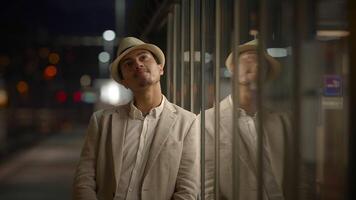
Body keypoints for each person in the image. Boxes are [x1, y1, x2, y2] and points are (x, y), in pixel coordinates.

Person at [73, 37, 200, 200]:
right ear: (124, 81)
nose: (137, 64)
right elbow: (84, 179)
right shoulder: (102, 121)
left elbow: (187, 189)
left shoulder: (188, 122)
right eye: (128, 64)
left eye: (143, 57)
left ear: (160, 68)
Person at [204, 39, 291, 200]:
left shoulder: (281, 122)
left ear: (266, 73)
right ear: (233, 69)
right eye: (248, 57)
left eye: (260, 61)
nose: (254, 63)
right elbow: (207, 187)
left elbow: (299, 178)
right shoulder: (207, 121)